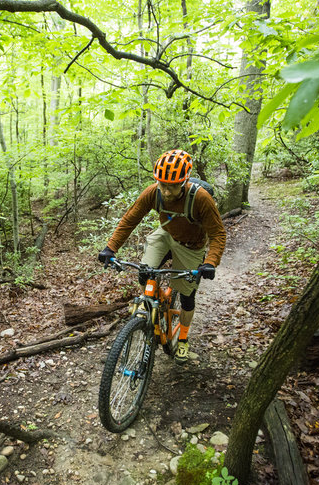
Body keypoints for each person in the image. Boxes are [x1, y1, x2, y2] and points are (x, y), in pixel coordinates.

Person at [97, 149, 226, 363]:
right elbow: (130, 219)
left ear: (183, 182)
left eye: (172, 186)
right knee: (144, 272)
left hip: (191, 246)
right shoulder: (153, 192)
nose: (165, 192)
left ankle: (182, 339)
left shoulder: (200, 198)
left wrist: (211, 262)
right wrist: (111, 248)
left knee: (186, 296)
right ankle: (147, 313)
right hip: (165, 235)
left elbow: (217, 233)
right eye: (162, 185)